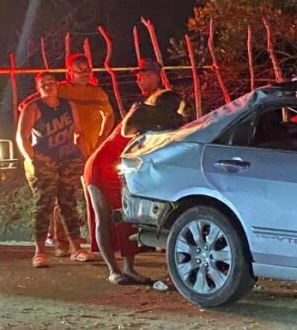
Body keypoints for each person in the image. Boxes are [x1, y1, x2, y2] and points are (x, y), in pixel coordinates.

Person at [84, 89, 184, 286]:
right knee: (104, 217)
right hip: (102, 165)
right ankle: (113, 270)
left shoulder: (171, 119)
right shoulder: (142, 111)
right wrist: (141, 115)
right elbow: (125, 131)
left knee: (127, 219)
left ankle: (129, 269)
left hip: (127, 168)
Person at [16, 71, 93, 268]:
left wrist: (82, 155)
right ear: (38, 88)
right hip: (44, 160)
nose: (49, 86)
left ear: (57, 84)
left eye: (51, 82)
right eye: (44, 84)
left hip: (67, 159)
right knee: (43, 205)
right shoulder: (33, 108)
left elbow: (78, 131)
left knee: (68, 203)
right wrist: (32, 159)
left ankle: (77, 248)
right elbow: (21, 137)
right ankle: (39, 252)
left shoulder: (68, 105)